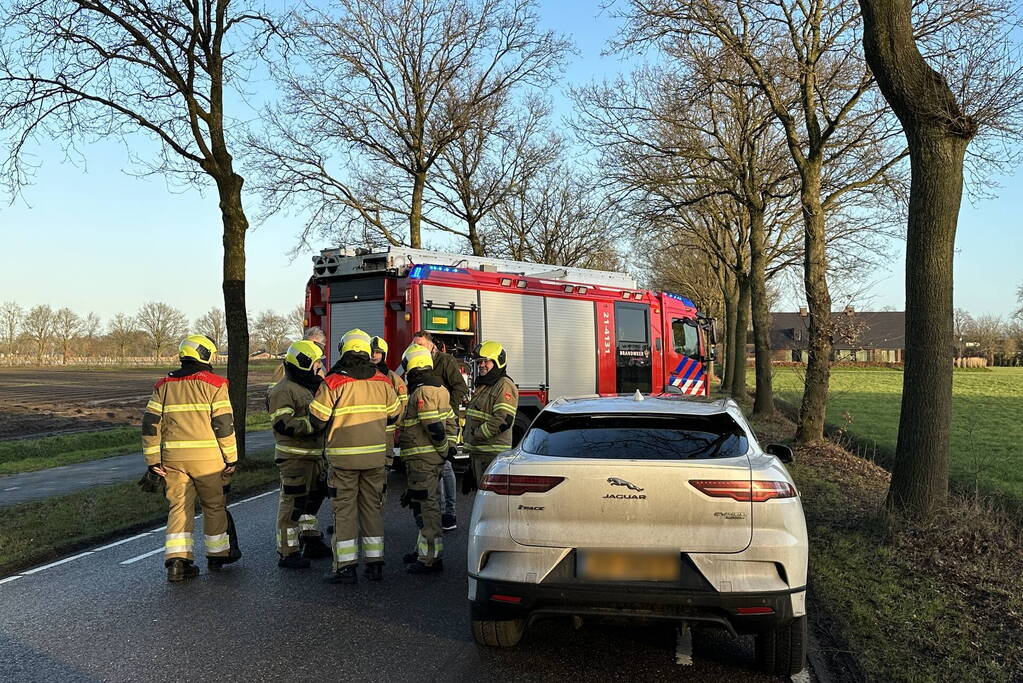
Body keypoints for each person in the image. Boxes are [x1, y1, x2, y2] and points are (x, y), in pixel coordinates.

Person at [142, 334, 241, 582]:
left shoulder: (164, 385)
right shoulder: (216, 384)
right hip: (208, 459)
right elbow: (224, 425)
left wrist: (153, 461)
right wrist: (231, 458)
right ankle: (218, 554)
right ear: (206, 355)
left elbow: (150, 423)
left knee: (179, 507)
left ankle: (177, 562)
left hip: (173, 459)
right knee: (214, 505)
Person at [309, 329, 401, 584]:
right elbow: (395, 413)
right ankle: (375, 565)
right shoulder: (382, 380)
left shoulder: (334, 381)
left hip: (343, 462)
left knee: (345, 512)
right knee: (372, 509)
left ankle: (346, 567)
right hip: (374, 459)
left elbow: (317, 420)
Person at [266, 340, 332, 569]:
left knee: (313, 500)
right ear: (303, 363)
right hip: (294, 458)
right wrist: (314, 425)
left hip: (316, 456)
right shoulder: (283, 390)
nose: (319, 367)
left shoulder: (313, 385)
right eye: (315, 363)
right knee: (293, 505)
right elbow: (283, 424)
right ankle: (288, 552)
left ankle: (310, 539)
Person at [397, 344, 456, 574]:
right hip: (426, 460)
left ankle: (430, 558)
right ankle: (423, 550)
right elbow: (451, 421)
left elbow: (434, 427)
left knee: (427, 508)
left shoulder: (423, 391)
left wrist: (443, 449)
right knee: (422, 504)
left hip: (423, 459)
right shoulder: (440, 388)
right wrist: (449, 448)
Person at [411, 330, 466, 530]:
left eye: (421, 345)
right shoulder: (414, 362)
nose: (417, 349)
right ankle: (437, 511)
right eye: (415, 345)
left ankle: (449, 514)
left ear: (431, 345)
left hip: (442, 420)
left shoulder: (445, 361)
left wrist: (447, 410)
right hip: (424, 424)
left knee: (446, 466)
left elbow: (460, 387)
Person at [463, 340, 518, 491]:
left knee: (490, 503)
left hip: (491, 456)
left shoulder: (504, 385)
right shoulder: (485, 385)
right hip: (479, 454)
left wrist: (477, 434)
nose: (481, 365)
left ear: (498, 362)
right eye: (480, 362)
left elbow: (503, 420)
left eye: (486, 361)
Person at [370, 336, 408, 472]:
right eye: (372, 352)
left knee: (383, 469)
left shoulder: (393, 378)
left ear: (384, 354)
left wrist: (396, 422)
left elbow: (403, 404)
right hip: (367, 430)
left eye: (378, 352)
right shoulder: (361, 376)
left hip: (386, 431)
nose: (374, 355)